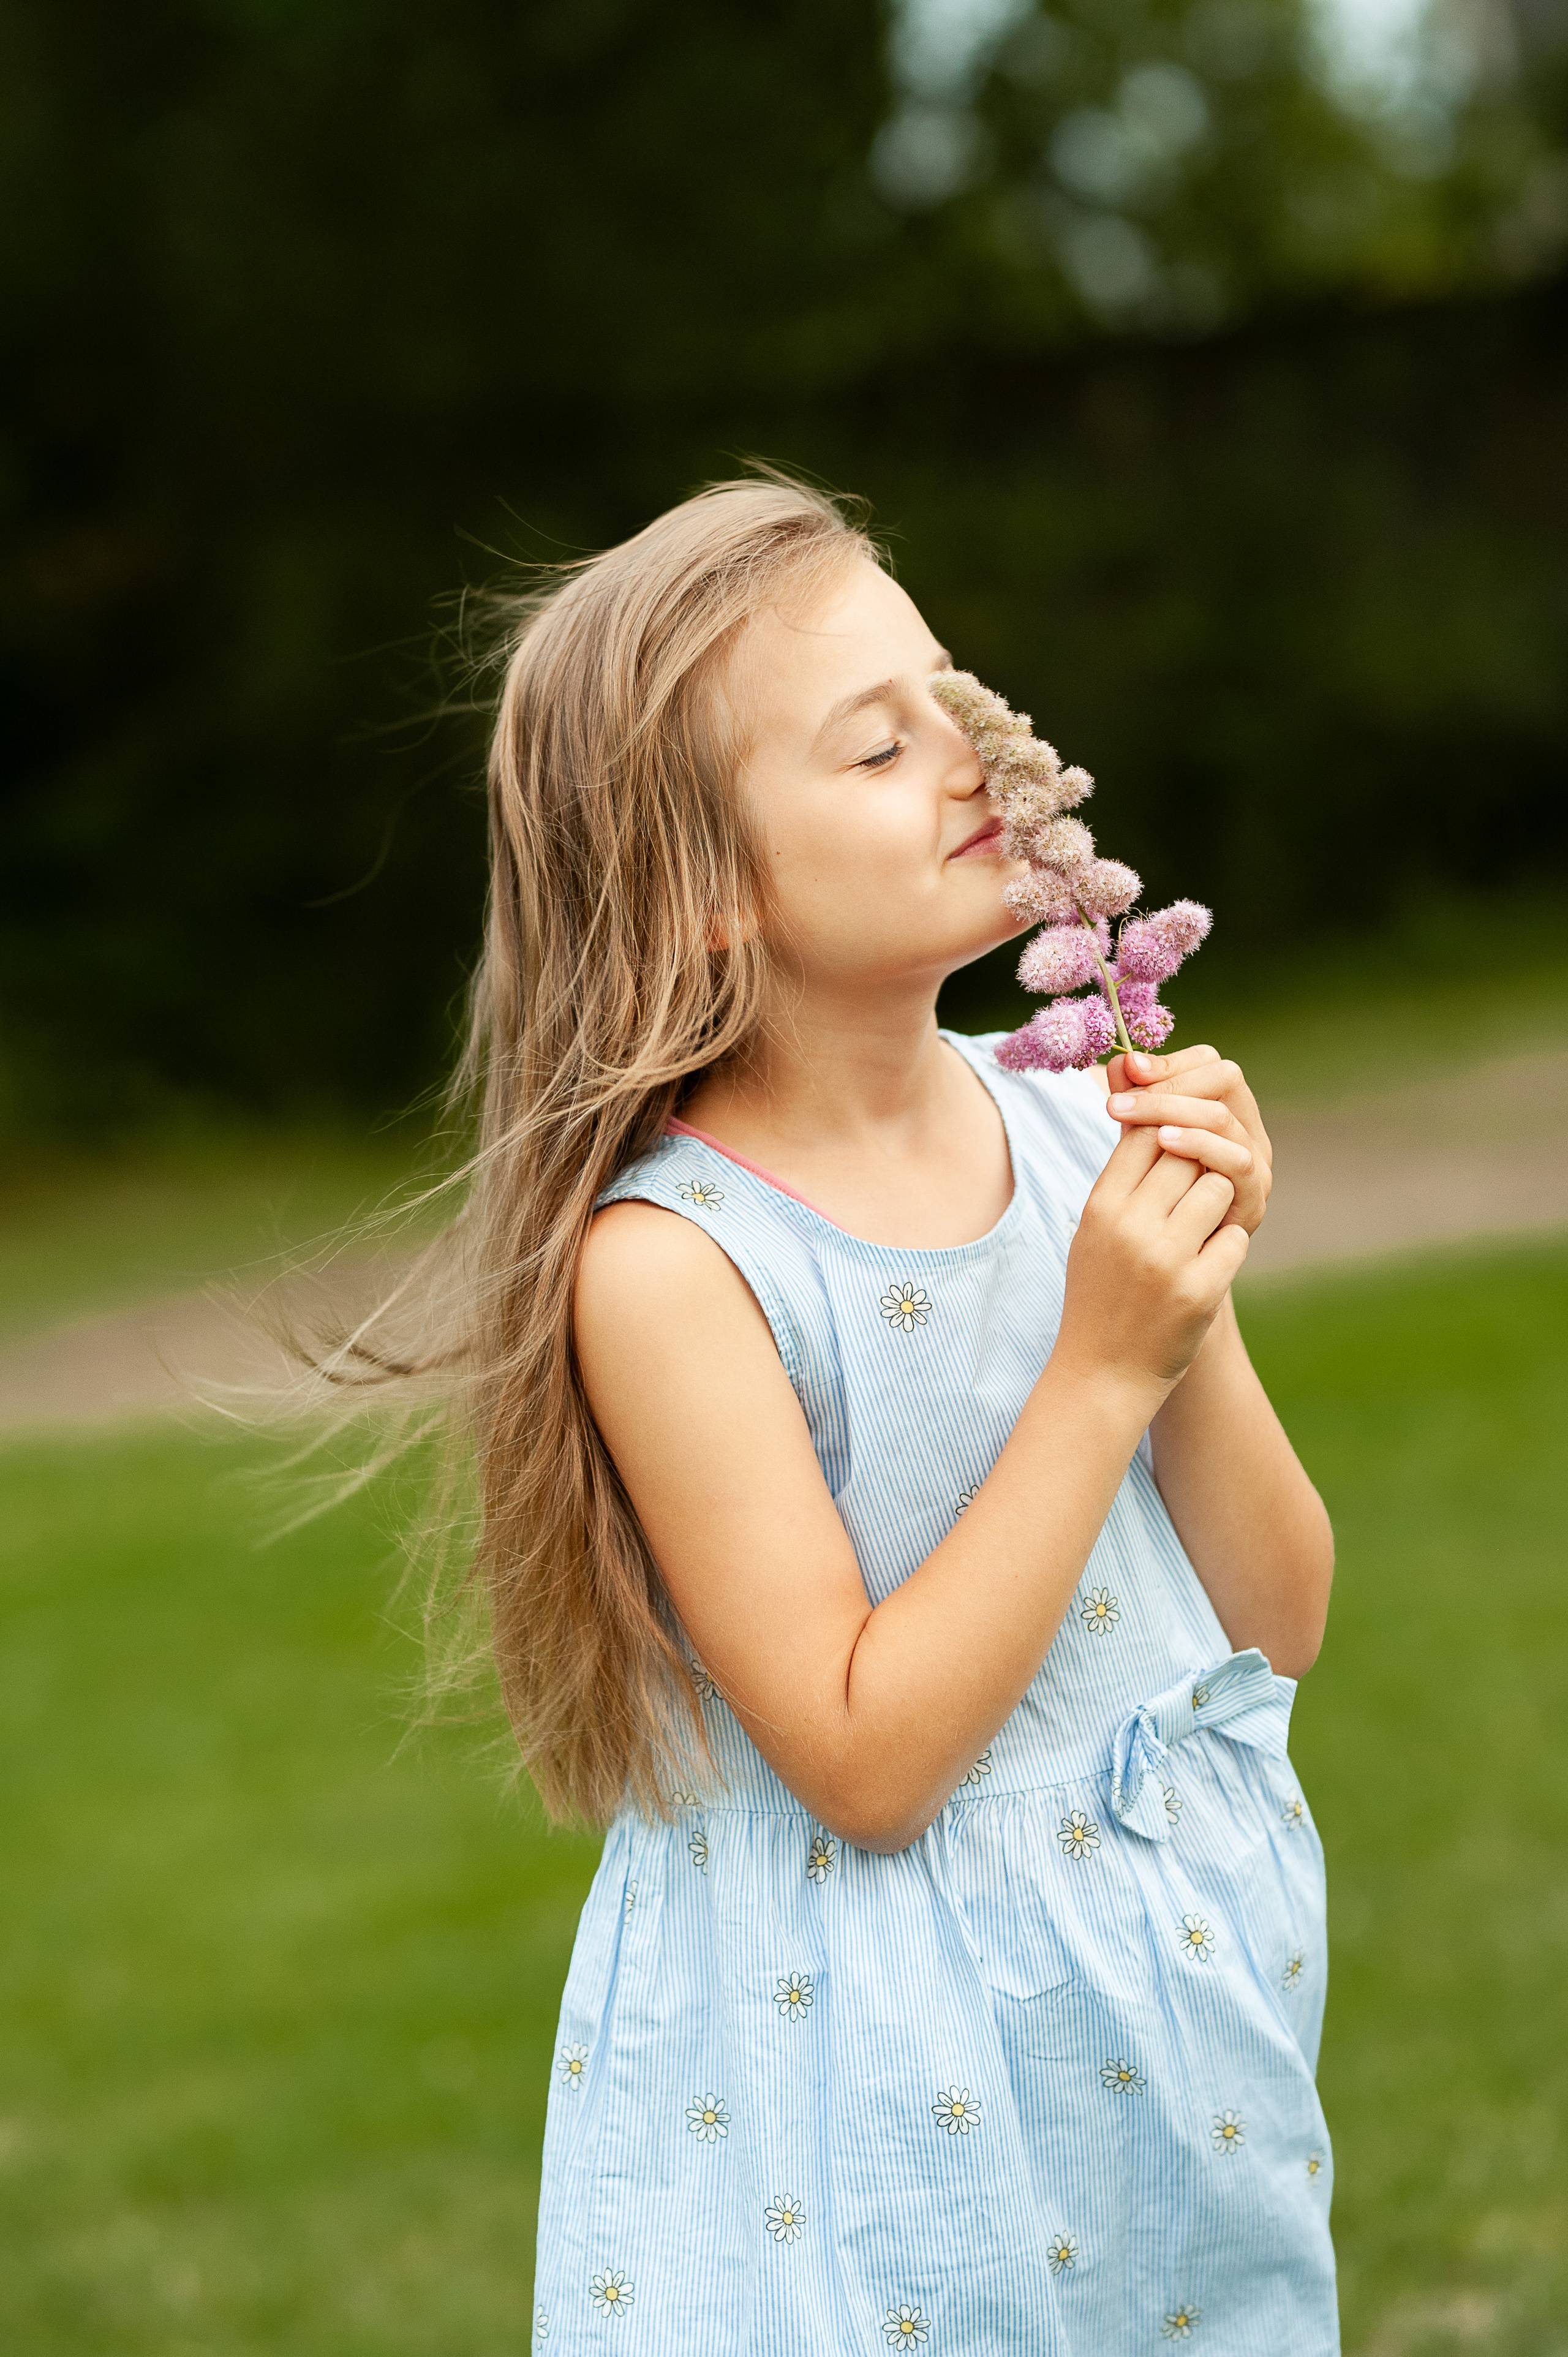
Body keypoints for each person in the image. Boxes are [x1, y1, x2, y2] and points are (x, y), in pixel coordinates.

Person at [451, 475, 1336, 2353]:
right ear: (701, 893)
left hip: (1147, 2000)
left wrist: (1190, 1307)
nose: (970, 757)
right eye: (877, 743)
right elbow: (864, 1765)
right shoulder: (678, 1268)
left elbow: (1274, 1625)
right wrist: (1101, 1364)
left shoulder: (1069, 1115)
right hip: (870, 2062)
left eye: (952, 692)